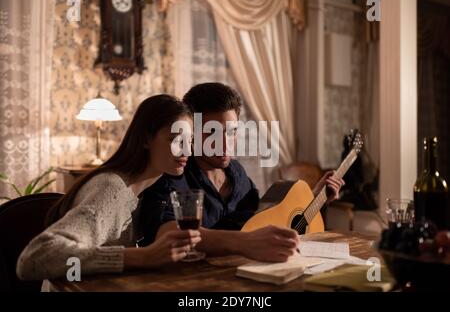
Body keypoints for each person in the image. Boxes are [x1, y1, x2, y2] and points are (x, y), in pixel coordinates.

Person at [139, 83, 344, 262]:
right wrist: (244, 242)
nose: (225, 143)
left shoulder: (236, 172)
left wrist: (315, 198)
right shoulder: (173, 172)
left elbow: (263, 217)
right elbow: (167, 233)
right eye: (213, 133)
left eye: (232, 132)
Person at [16, 95, 200, 289]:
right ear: (146, 139)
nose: (187, 150)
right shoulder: (111, 190)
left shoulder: (148, 191)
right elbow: (33, 259)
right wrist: (144, 256)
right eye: (176, 140)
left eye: (191, 141)